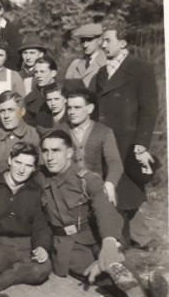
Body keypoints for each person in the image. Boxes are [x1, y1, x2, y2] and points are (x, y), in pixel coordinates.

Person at [38, 130, 166, 297]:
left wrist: (108, 241)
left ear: (69, 153)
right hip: (67, 243)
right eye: (45, 151)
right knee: (92, 269)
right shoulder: (39, 177)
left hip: (94, 235)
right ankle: (139, 294)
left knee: (114, 260)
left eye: (56, 151)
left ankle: (149, 293)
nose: (49, 157)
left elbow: (104, 209)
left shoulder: (87, 179)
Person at [94, 21, 159, 249]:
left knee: (130, 187)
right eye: (102, 40)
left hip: (128, 139)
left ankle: (140, 236)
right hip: (107, 138)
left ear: (123, 43)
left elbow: (149, 109)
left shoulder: (140, 69)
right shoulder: (102, 73)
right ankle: (119, 236)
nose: (103, 45)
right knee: (112, 184)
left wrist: (142, 143)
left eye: (108, 40)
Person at [0, 142, 52, 292]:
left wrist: (41, 247)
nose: (21, 170)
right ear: (9, 160)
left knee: (43, 269)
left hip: (26, 246)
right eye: (18, 162)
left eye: (28, 166)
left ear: (34, 169)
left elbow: (41, 225)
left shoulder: (35, 190)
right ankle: (14, 273)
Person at [60, 89, 124, 212]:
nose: (72, 112)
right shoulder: (60, 131)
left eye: (77, 107)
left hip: (96, 192)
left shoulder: (104, 132)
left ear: (89, 109)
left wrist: (110, 183)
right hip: (66, 194)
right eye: (69, 108)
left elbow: (115, 162)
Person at [0, 91, 40, 180]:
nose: (6, 116)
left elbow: (39, 173)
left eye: (11, 110)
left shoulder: (36, 135)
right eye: (2, 111)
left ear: (22, 111)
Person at [65, 23, 106, 89]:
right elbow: (67, 90)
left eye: (89, 40)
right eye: (82, 40)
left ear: (100, 40)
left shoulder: (106, 63)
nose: (85, 45)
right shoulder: (75, 65)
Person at [23, 55, 59, 127]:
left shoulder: (63, 94)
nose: (38, 76)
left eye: (42, 72)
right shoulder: (29, 99)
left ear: (53, 73)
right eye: (36, 72)